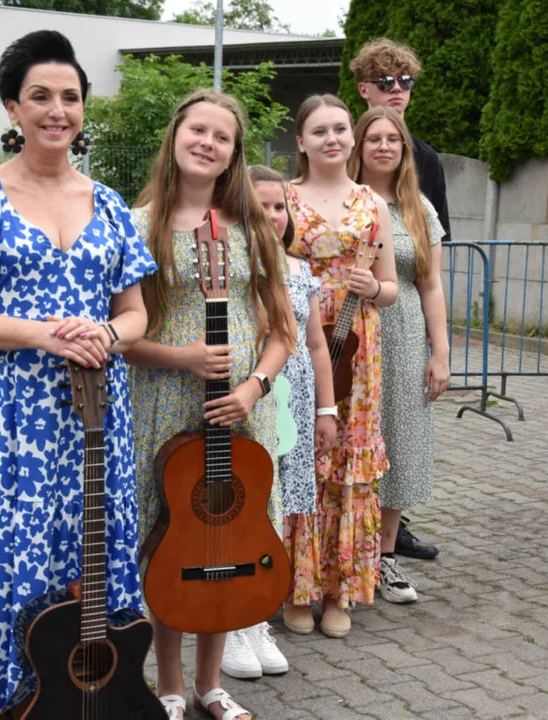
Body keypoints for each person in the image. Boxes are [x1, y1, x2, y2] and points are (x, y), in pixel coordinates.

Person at [0, 30, 157, 718]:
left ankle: (80, 699)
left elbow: (136, 314)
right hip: (0, 417)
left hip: (91, 417)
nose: (58, 110)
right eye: (40, 97)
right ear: (11, 108)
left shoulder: (108, 205)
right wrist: (42, 334)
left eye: (70, 97)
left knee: (82, 556)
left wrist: (107, 333)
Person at [125, 90, 295, 720]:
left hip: (239, 413)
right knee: (174, 542)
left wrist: (253, 387)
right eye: (197, 130)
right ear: (175, 137)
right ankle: (169, 685)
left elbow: (282, 331)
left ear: (233, 154)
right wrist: (184, 360)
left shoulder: (253, 230)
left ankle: (210, 685)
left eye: (221, 137)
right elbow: (125, 335)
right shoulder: (138, 225)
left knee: (227, 535)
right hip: (162, 406)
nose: (207, 143)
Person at [284, 93, 398, 638]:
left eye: (339, 129)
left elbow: (394, 286)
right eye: (319, 131)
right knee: (303, 453)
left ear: (352, 137)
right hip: (300, 335)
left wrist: (375, 286)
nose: (332, 138)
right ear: (301, 141)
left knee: (349, 459)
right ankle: (297, 587)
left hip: (357, 340)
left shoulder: (373, 204)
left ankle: (341, 591)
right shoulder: (283, 198)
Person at [351, 36, 450, 561]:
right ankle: (342, 548)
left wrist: (443, 351)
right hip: (347, 330)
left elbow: (432, 275)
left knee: (402, 437)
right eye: (386, 82)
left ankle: (386, 547)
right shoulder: (337, 176)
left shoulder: (424, 174)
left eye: (405, 82)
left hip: (407, 325)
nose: (397, 91)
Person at [247, 165, 338, 637]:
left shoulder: (301, 269)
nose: (272, 214)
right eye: (260, 205)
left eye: (279, 205)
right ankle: (248, 610)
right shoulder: (237, 266)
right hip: (256, 399)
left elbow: (317, 345)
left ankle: (283, 594)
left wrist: (327, 409)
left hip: (299, 402)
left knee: (288, 503)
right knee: (253, 499)